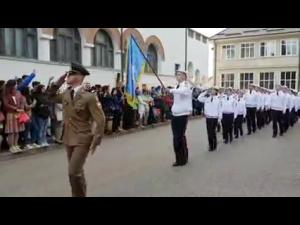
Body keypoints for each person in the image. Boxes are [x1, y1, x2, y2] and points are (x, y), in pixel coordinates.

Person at [48, 62, 105, 197]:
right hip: (68, 138)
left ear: (80, 76)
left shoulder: (89, 97)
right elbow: (49, 97)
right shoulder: (66, 94)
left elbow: (100, 119)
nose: (68, 75)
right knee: (77, 172)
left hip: (82, 138)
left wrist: (96, 139)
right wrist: (58, 82)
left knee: (73, 172)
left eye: (71, 74)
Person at [167, 71, 192, 167]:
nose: (177, 76)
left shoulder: (186, 85)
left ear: (185, 77)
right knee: (177, 137)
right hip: (175, 114)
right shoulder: (177, 86)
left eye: (180, 74)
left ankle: (181, 159)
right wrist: (170, 90)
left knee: (178, 137)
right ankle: (181, 157)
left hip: (182, 115)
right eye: (177, 74)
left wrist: (171, 90)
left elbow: (184, 92)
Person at [3, 79, 26, 153]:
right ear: (10, 86)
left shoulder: (18, 92)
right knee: (11, 132)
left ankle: (16, 144)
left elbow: (22, 100)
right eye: (14, 84)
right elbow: (6, 104)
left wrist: (22, 107)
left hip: (18, 113)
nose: (16, 86)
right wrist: (15, 108)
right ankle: (11, 146)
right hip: (11, 114)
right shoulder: (5, 93)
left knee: (17, 131)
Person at [198, 87, 221, 151]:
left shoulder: (218, 99)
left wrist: (219, 119)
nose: (211, 91)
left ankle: (214, 145)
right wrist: (205, 92)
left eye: (213, 90)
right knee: (209, 132)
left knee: (212, 132)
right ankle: (211, 145)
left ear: (216, 92)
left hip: (215, 118)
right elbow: (199, 98)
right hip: (208, 118)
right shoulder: (206, 98)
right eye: (211, 90)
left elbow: (220, 109)